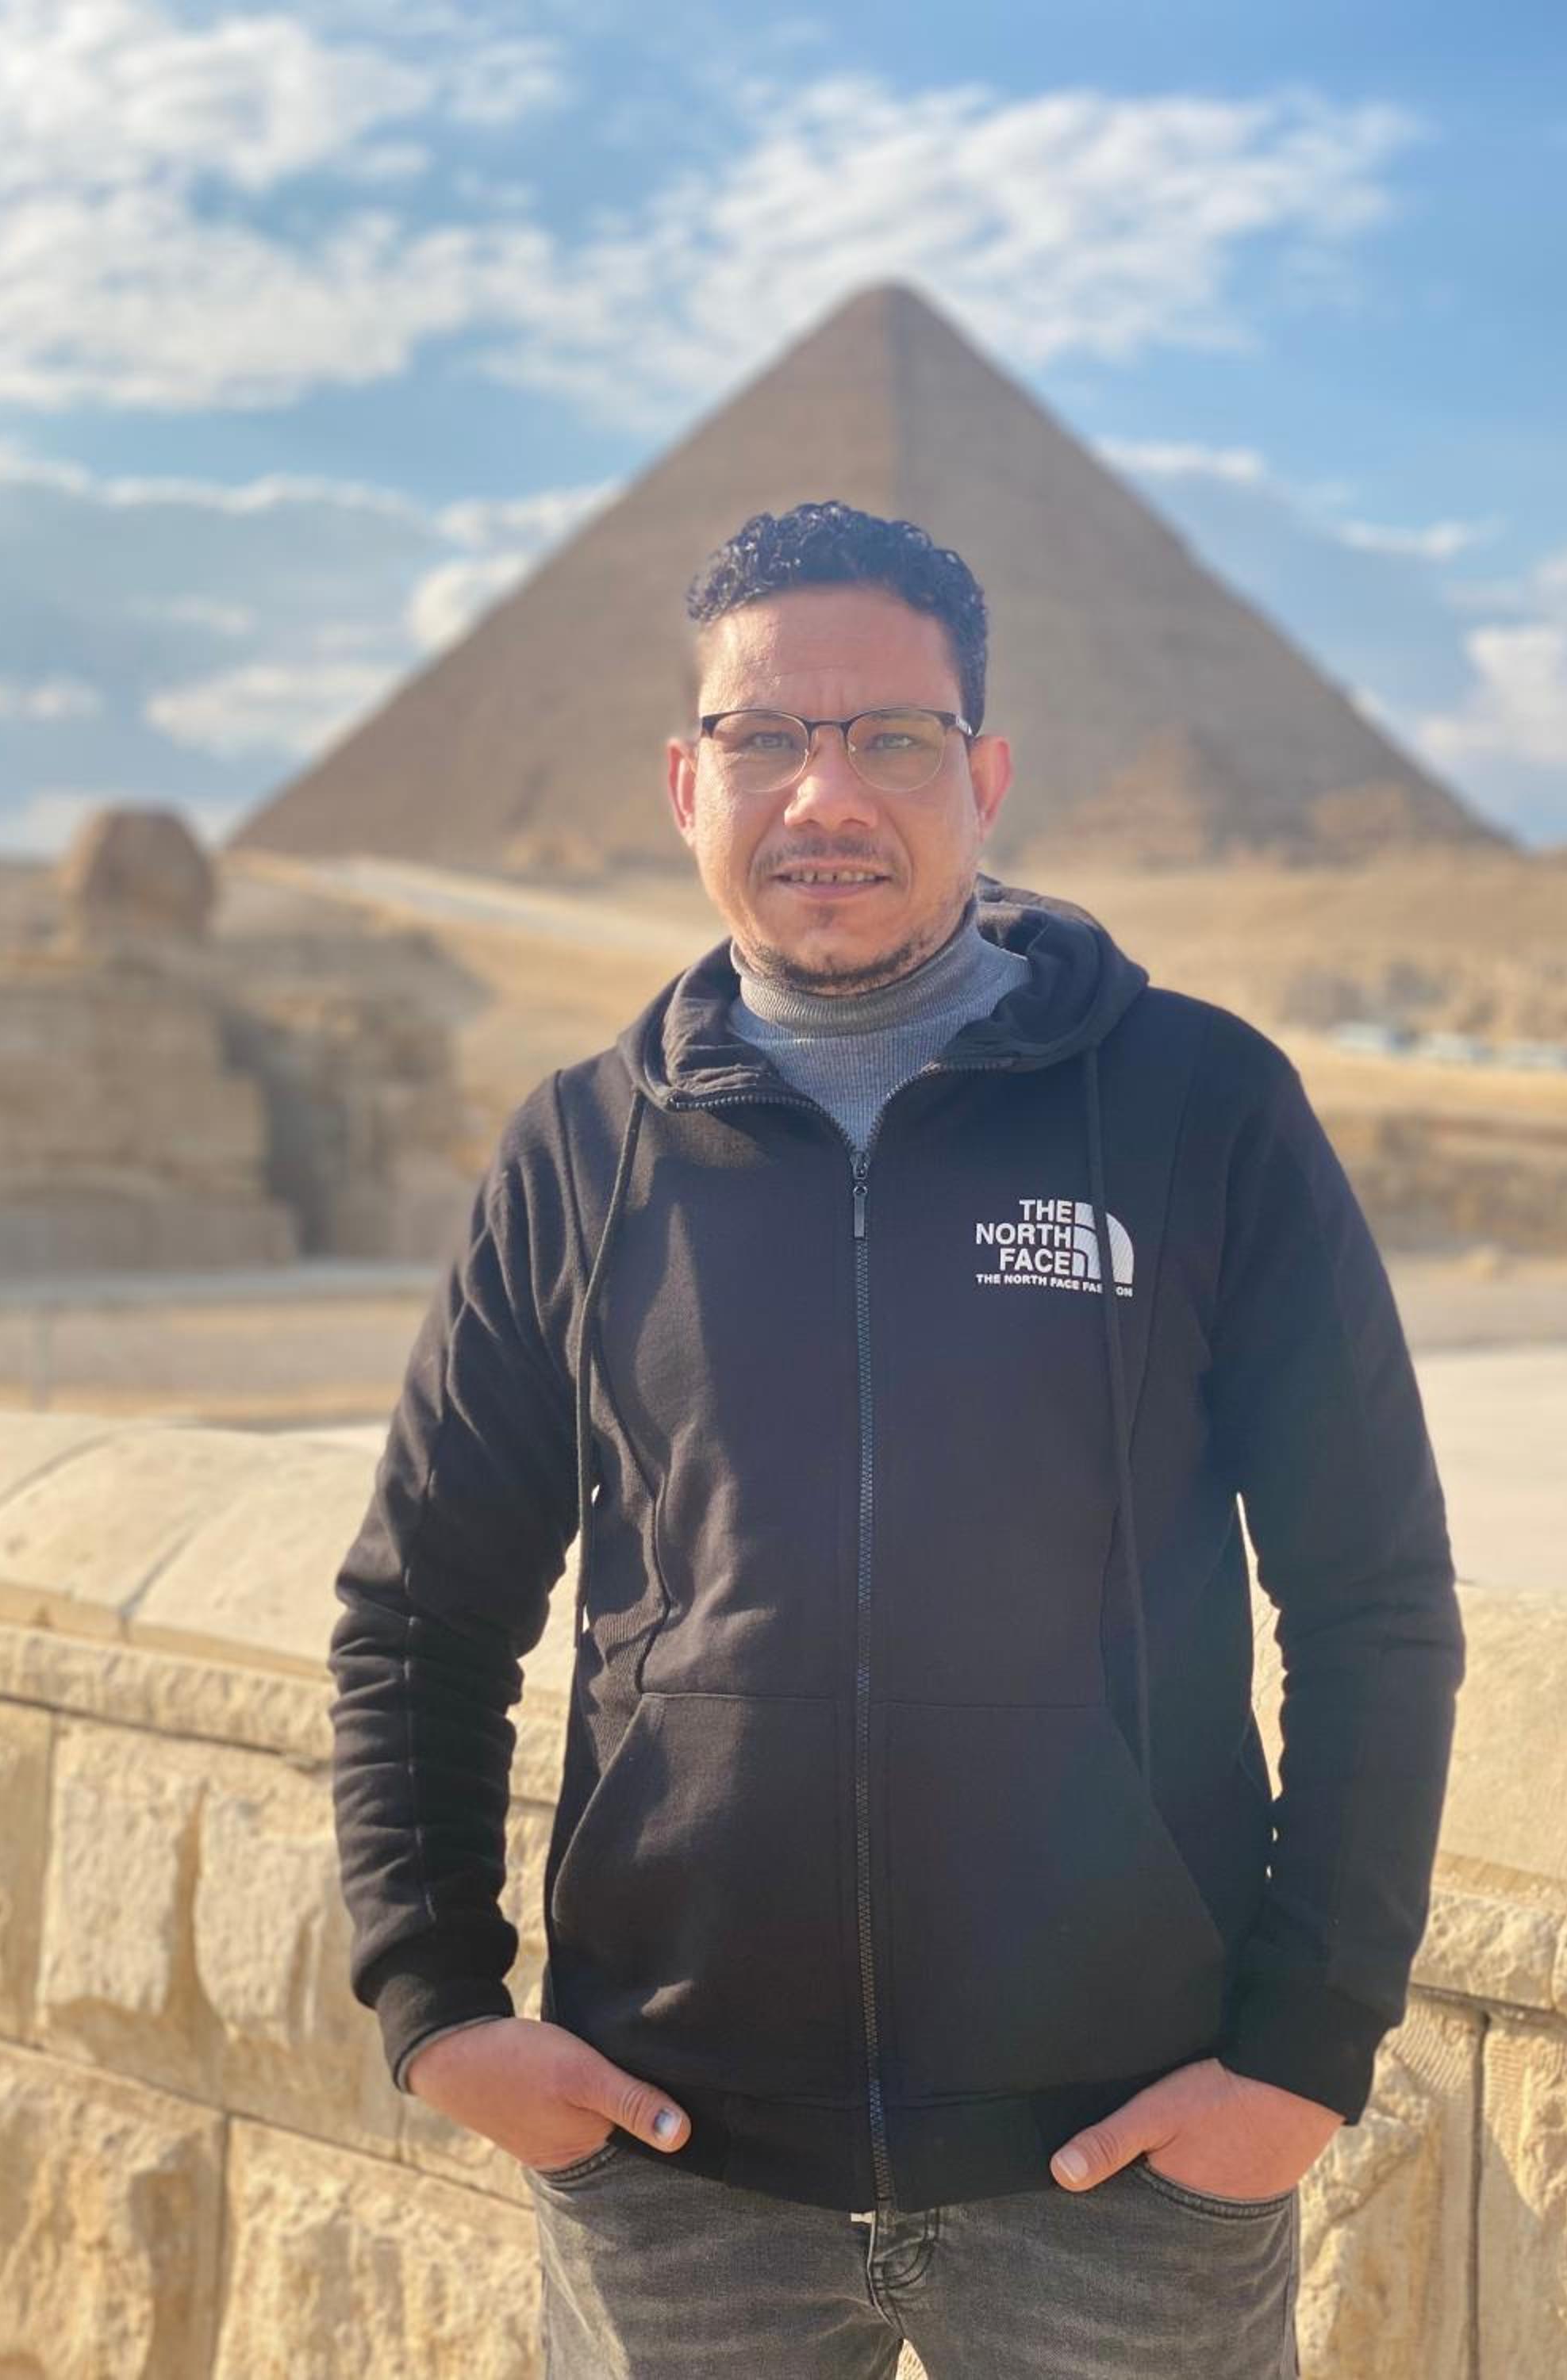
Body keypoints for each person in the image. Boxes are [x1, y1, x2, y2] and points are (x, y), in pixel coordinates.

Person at [326, 500, 1465, 2378]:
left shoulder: (1200, 1109)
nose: (825, 795)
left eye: (893, 738)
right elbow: (419, 1615)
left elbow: (1376, 1602)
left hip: (1124, 2174)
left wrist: (1299, 2055)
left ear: (985, 776)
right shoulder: (577, 1153)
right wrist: (437, 2003)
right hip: (675, 2173)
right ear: (685, 783)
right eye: (766, 736)